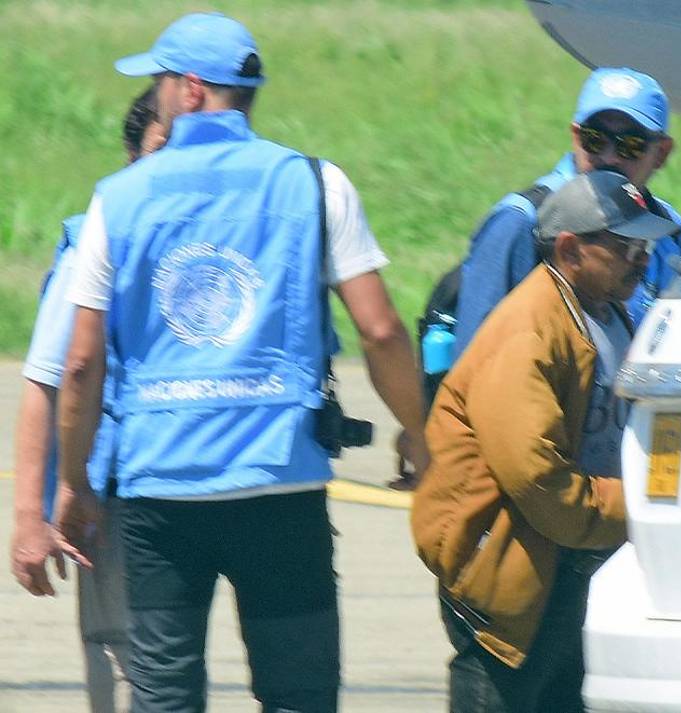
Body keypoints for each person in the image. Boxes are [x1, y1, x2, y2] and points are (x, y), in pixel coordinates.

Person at [51, 12, 430, 713]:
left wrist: (73, 481)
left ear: (191, 90)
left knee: (166, 693)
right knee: (299, 693)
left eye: (162, 80)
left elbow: (80, 364)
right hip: (280, 484)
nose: (159, 94)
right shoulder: (317, 184)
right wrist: (420, 430)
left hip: (161, 490)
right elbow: (380, 331)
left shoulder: (120, 197)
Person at [412, 169, 681, 712]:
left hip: (571, 562)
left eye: (645, 246)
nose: (640, 259)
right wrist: (641, 510)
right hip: (512, 577)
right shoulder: (529, 333)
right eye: (625, 246)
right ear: (570, 249)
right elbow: (539, 479)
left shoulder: (604, 313)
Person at [9, 86, 164, 713]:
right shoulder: (98, 241)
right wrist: (33, 514)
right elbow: (54, 375)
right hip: (120, 488)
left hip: (200, 482)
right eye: (161, 148)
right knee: (126, 649)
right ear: (131, 156)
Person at [451, 66, 681, 357]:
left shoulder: (668, 230)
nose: (609, 157)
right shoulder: (522, 221)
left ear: (661, 153)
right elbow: (475, 357)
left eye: (631, 145)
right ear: (576, 136)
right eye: (595, 139)